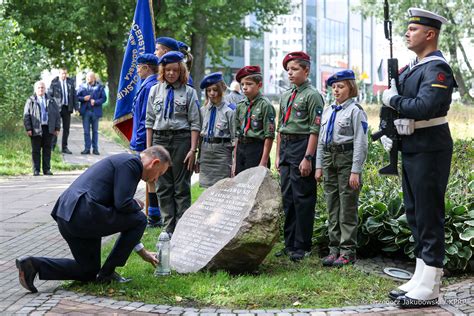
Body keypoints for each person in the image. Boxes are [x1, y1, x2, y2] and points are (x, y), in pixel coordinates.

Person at [15, 146, 170, 293]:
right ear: (154, 163)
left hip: (68, 215)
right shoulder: (132, 164)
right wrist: (137, 204)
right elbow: (123, 205)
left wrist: (142, 252)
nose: (156, 179)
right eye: (160, 174)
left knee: (88, 271)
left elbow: (123, 218)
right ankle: (108, 273)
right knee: (141, 219)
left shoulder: (124, 163)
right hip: (84, 213)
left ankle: (32, 265)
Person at [381, 8, 455, 308]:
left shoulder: (438, 69)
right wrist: (387, 127)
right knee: (415, 214)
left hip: (431, 149)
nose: (407, 33)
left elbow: (425, 107)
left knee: (429, 215)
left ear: (430, 34)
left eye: (413, 29)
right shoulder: (413, 68)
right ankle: (420, 277)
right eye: (407, 29)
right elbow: (399, 106)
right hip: (413, 147)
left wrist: (393, 100)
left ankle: (432, 285)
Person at [315, 70, 368, 267]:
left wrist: (356, 170)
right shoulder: (328, 110)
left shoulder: (355, 111)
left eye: (341, 86)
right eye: (334, 87)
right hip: (329, 158)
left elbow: (361, 142)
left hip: (346, 158)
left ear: (351, 88)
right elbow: (321, 141)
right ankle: (333, 249)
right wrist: (318, 166)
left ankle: (347, 251)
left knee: (347, 206)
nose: (336, 90)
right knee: (332, 205)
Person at [274, 51, 324, 262]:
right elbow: (280, 127)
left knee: (302, 197)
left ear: (306, 70)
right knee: (288, 197)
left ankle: (302, 245)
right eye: (288, 70)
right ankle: (289, 242)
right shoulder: (287, 95)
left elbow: (315, 129)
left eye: (294, 69)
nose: (290, 73)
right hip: (286, 146)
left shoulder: (312, 95)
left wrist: (308, 157)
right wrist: (277, 155)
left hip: (302, 146)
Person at [145, 51, 201, 234]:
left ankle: (182, 230)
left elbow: (195, 123)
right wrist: (149, 149)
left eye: (175, 70)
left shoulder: (189, 92)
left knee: (181, 186)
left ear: (181, 71)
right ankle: (168, 228)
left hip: (181, 139)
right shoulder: (155, 90)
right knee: (163, 186)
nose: (171, 73)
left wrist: (193, 149)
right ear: (163, 70)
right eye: (168, 70)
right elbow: (149, 122)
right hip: (160, 140)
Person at [130, 54, 162, 228]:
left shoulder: (150, 86)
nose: (137, 70)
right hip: (141, 138)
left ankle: (154, 216)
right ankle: (153, 216)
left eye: (139, 67)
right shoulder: (147, 84)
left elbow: (144, 118)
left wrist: (141, 143)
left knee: (149, 178)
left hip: (143, 141)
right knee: (150, 180)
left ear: (147, 67)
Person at [233, 66, 275, 175]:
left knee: (254, 184)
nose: (244, 87)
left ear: (259, 85)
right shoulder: (240, 105)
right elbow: (238, 134)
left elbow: (269, 136)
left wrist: (264, 161)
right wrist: (235, 161)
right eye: (242, 84)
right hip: (241, 147)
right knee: (239, 183)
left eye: (249, 84)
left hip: (256, 149)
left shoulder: (265, 105)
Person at [196, 72, 235, 188]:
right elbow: (200, 136)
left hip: (222, 153)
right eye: (209, 90)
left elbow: (235, 137)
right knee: (206, 190)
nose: (212, 93)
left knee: (223, 188)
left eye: (215, 90)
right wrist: (198, 158)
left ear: (221, 89)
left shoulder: (230, 110)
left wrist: (234, 161)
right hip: (206, 153)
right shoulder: (203, 110)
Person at [23, 81, 61, 176]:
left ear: (45, 89)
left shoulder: (51, 100)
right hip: (36, 128)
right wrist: (28, 128)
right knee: (35, 150)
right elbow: (26, 116)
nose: (41, 89)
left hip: (48, 128)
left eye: (42, 87)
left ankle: (46, 169)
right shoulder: (31, 101)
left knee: (47, 149)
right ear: (35, 89)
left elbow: (57, 115)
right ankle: (36, 170)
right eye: (39, 88)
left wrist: (57, 128)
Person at [48, 68, 78, 154]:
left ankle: (64, 147)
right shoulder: (54, 83)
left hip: (67, 108)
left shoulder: (70, 83)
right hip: (57, 108)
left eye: (65, 73)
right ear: (59, 74)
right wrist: (51, 107)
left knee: (66, 128)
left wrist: (76, 108)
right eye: (62, 73)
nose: (64, 75)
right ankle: (52, 147)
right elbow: (50, 95)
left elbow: (74, 96)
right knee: (55, 127)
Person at [77, 72, 106, 155]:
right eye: (87, 77)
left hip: (95, 112)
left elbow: (104, 98)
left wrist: (96, 102)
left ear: (94, 78)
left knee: (95, 131)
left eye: (89, 77)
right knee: (86, 131)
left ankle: (95, 149)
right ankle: (87, 149)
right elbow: (77, 97)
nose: (88, 79)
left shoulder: (100, 87)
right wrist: (83, 98)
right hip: (85, 112)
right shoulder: (82, 86)